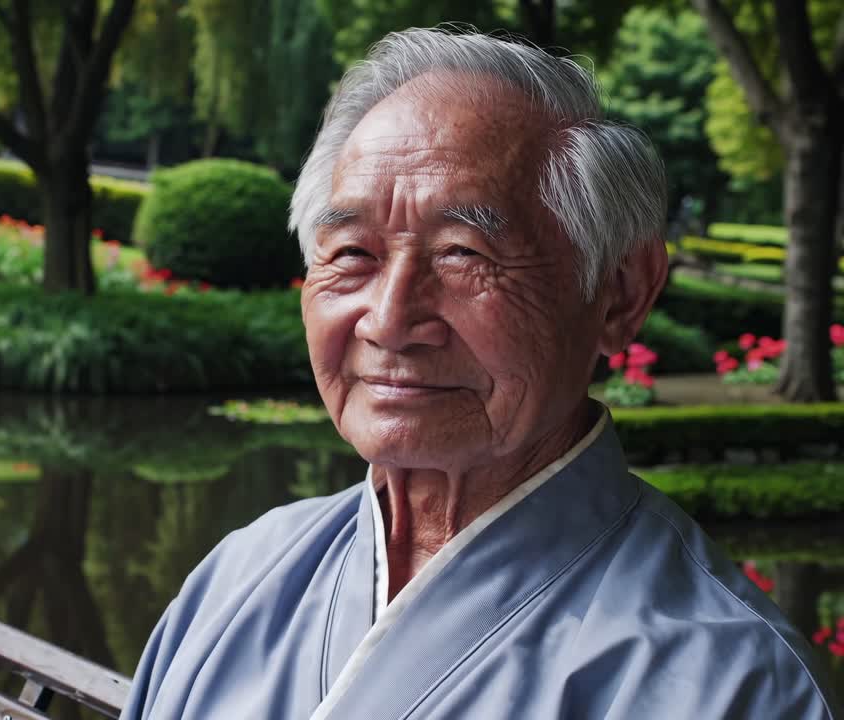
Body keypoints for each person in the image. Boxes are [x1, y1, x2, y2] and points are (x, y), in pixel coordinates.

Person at [119, 28, 840, 720]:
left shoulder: (727, 682)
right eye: (351, 254)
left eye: (464, 253)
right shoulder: (241, 577)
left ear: (619, 295)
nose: (390, 320)